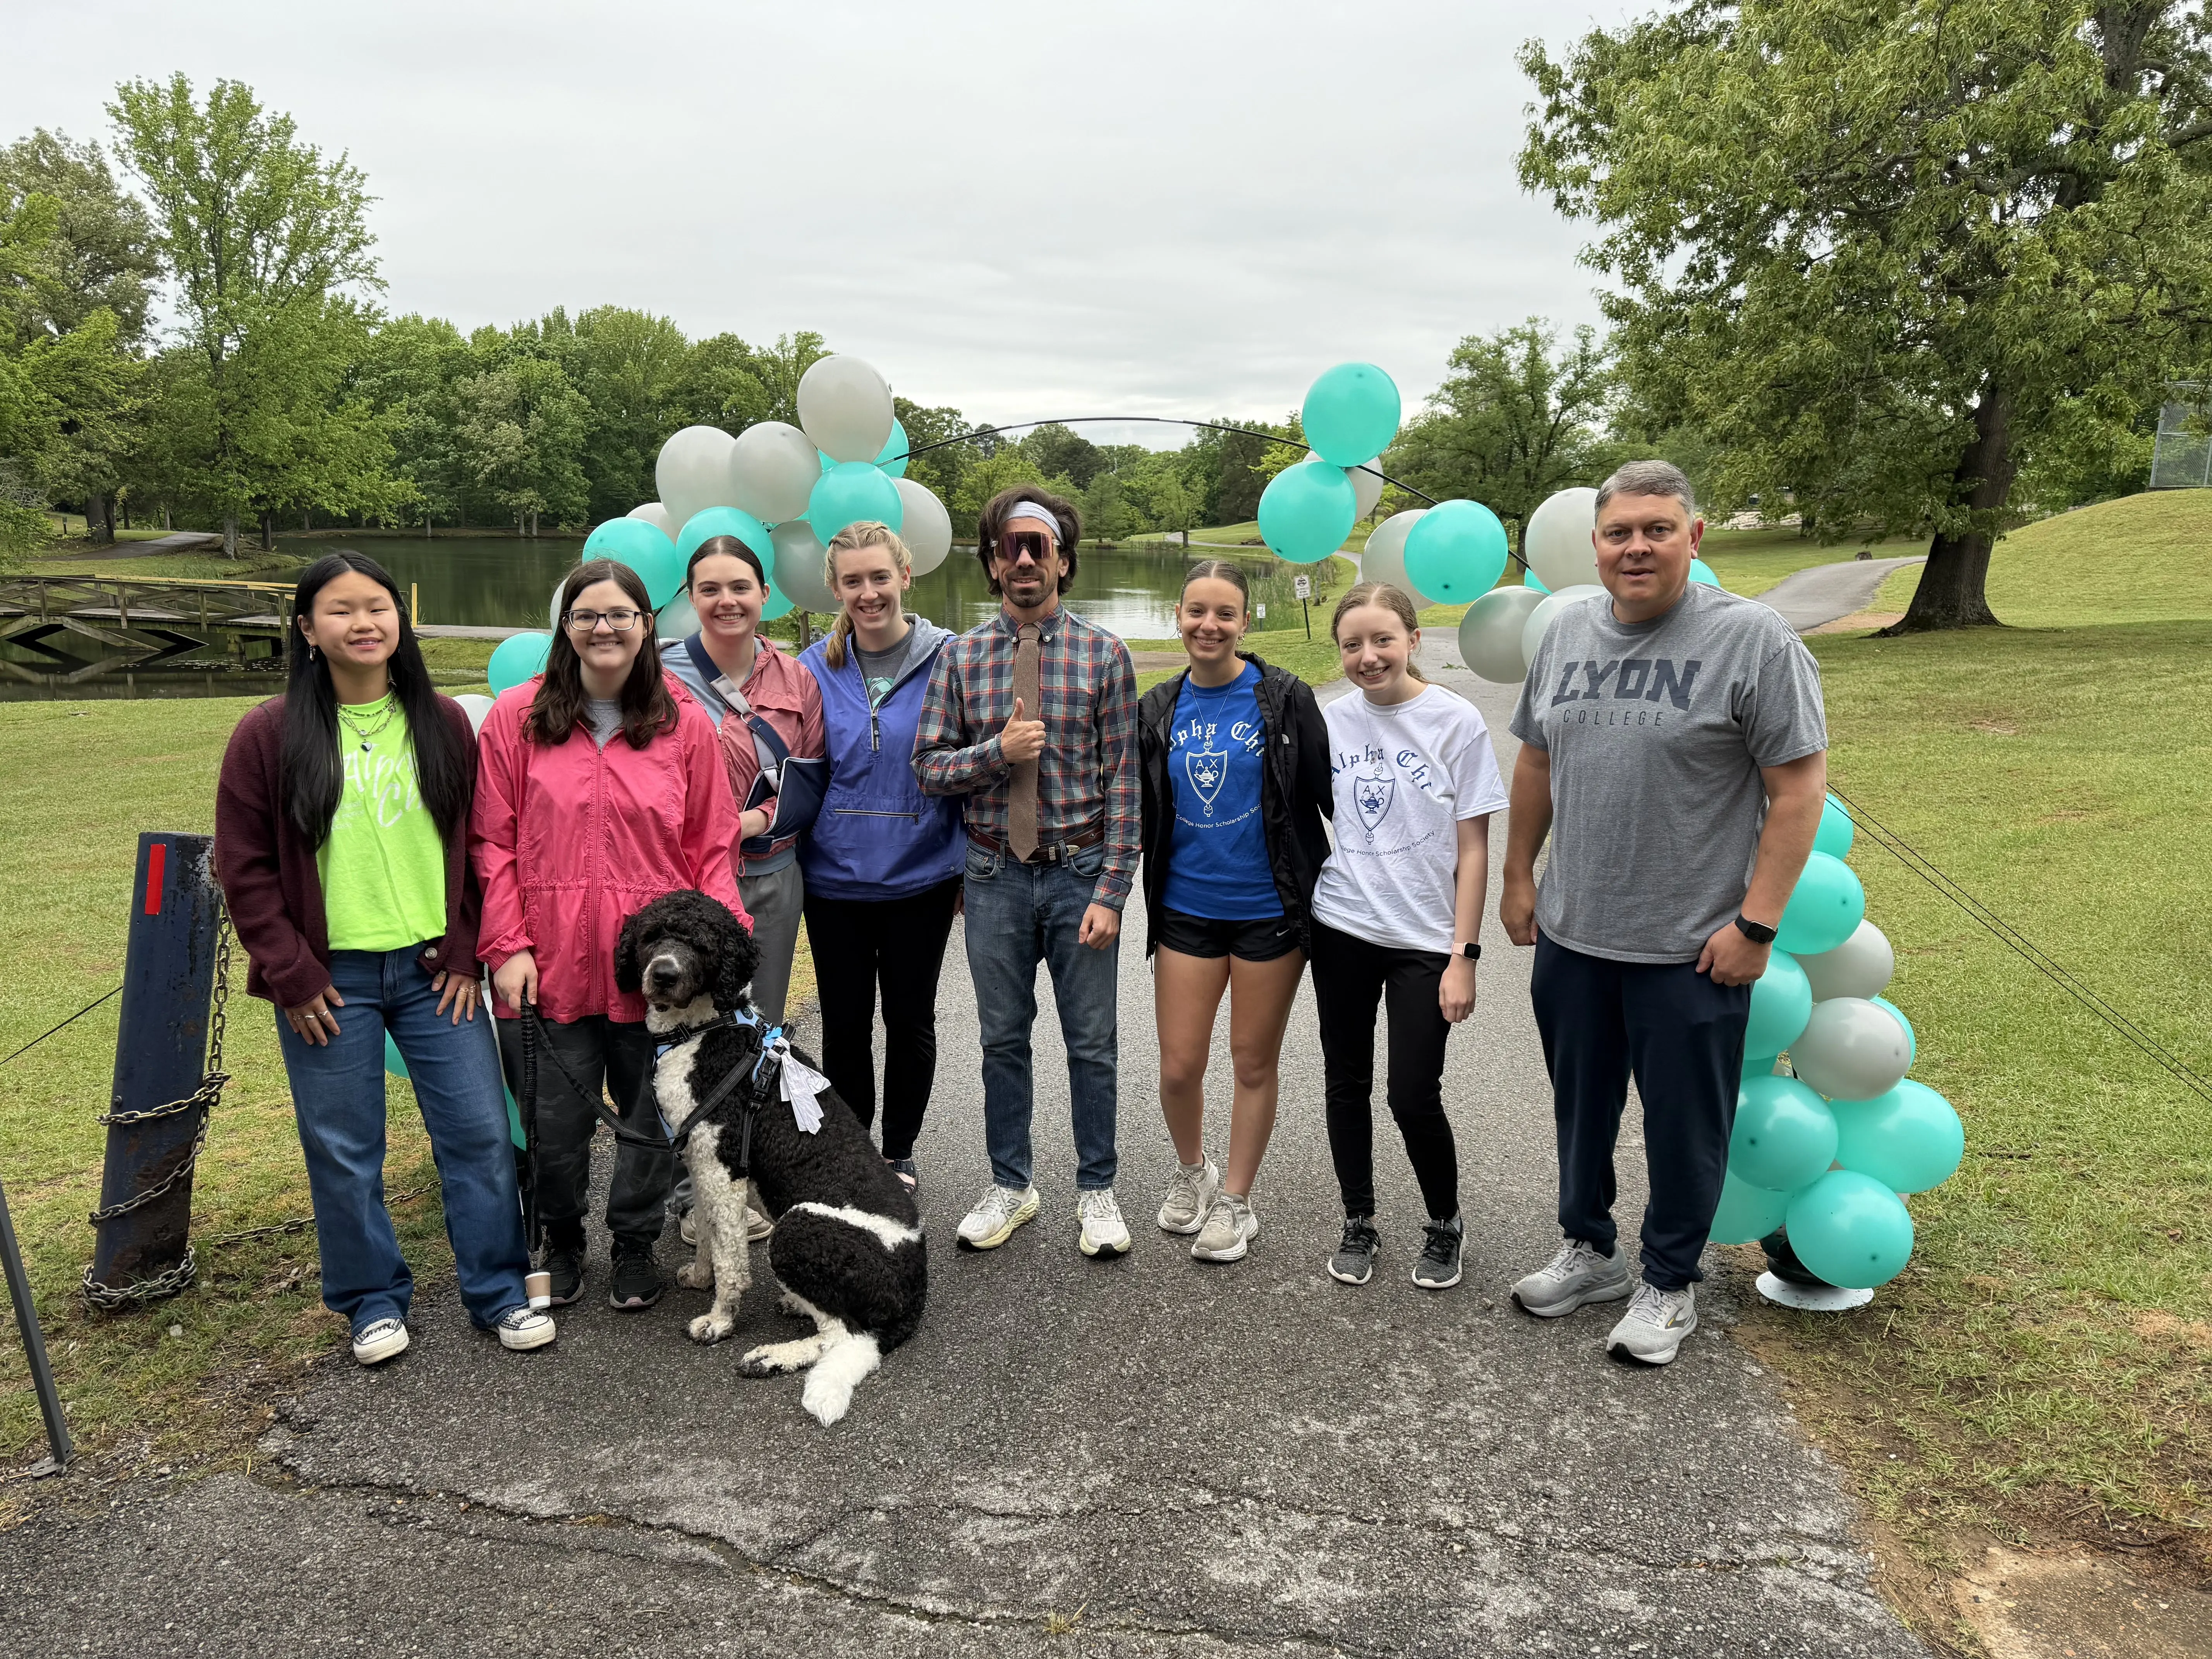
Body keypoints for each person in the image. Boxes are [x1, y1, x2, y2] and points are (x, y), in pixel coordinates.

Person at [1501, 460, 1828, 1366]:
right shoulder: (1566, 634)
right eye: (1619, 532)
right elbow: (1535, 763)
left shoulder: (1753, 641)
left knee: (1686, 1124)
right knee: (1582, 1110)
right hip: (1575, 933)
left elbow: (1798, 790)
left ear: (1694, 537)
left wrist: (1756, 926)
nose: (1636, 546)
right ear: (1596, 544)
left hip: (1691, 948)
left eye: (1657, 528)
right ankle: (1591, 1250)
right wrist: (1520, 877)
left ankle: (1668, 1280)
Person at [215, 552, 553, 1365]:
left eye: (377, 607)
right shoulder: (269, 734)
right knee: (343, 1145)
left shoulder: (439, 722)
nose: (363, 623)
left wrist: (469, 953)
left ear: (398, 622)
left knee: (476, 1132)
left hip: (437, 973)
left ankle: (499, 1291)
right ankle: (372, 1301)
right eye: (340, 610)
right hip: (331, 981)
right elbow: (246, 865)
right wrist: (291, 972)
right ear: (306, 628)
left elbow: (477, 848)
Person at [472, 557, 745, 1313]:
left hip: (654, 973)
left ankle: (633, 1242)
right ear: (565, 626)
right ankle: (561, 1240)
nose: (604, 628)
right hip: (548, 963)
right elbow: (491, 843)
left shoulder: (685, 725)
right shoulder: (516, 720)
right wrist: (508, 945)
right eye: (587, 614)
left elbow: (714, 848)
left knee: (649, 1122)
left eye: (620, 615)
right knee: (555, 1129)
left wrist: (718, 962)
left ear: (645, 626)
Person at [914, 485, 1140, 1257]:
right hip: (993, 879)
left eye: (1036, 547)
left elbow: (1124, 787)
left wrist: (1112, 890)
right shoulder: (961, 658)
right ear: (990, 565)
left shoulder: (1105, 655)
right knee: (1002, 1039)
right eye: (1006, 549)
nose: (1021, 562)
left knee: (1092, 1043)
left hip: (1078, 873)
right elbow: (929, 769)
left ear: (1063, 561)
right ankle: (1011, 1185)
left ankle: (1097, 1189)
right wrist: (995, 756)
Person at [1310, 582, 1506, 1293]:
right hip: (1341, 927)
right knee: (1345, 1083)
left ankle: (1444, 1220)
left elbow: (1475, 847)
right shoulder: (1329, 721)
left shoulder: (1454, 721)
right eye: (1352, 644)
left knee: (1412, 1091)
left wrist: (1464, 954)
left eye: (1382, 639)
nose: (1368, 656)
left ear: (1413, 640)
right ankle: (1358, 1217)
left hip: (1425, 937)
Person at [1137, 560, 1331, 1262]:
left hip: (1268, 911)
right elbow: (1139, 810)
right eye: (1195, 611)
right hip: (1186, 907)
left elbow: (1326, 798)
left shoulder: (1284, 698)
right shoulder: (1156, 708)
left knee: (1252, 1061)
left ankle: (1237, 1199)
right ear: (1179, 617)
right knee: (1180, 1064)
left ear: (1245, 622)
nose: (1208, 625)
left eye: (1224, 613)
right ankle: (1195, 1171)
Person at [798, 520, 965, 1194]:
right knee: (843, 1025)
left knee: (909, 1017)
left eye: (879, 577)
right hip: (833, 878)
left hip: (922, 875)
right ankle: (849, 1149)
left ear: (905, 576)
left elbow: (970, 761)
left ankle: (897, 1152)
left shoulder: (949, 658)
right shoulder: (812, 667)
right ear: (835, 588)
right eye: (853, 581)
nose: (868, 593)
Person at [665, 533, 823, 1026]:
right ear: (691, 597)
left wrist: (749, 823)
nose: (726, 601)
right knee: (682, 1018)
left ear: (764, 594)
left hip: (769, 878)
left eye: (740, 587)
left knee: (758, 1020)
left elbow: (810, 785)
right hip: (679, 878)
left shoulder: (798, 680)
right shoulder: (656, 672)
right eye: (710, 589)